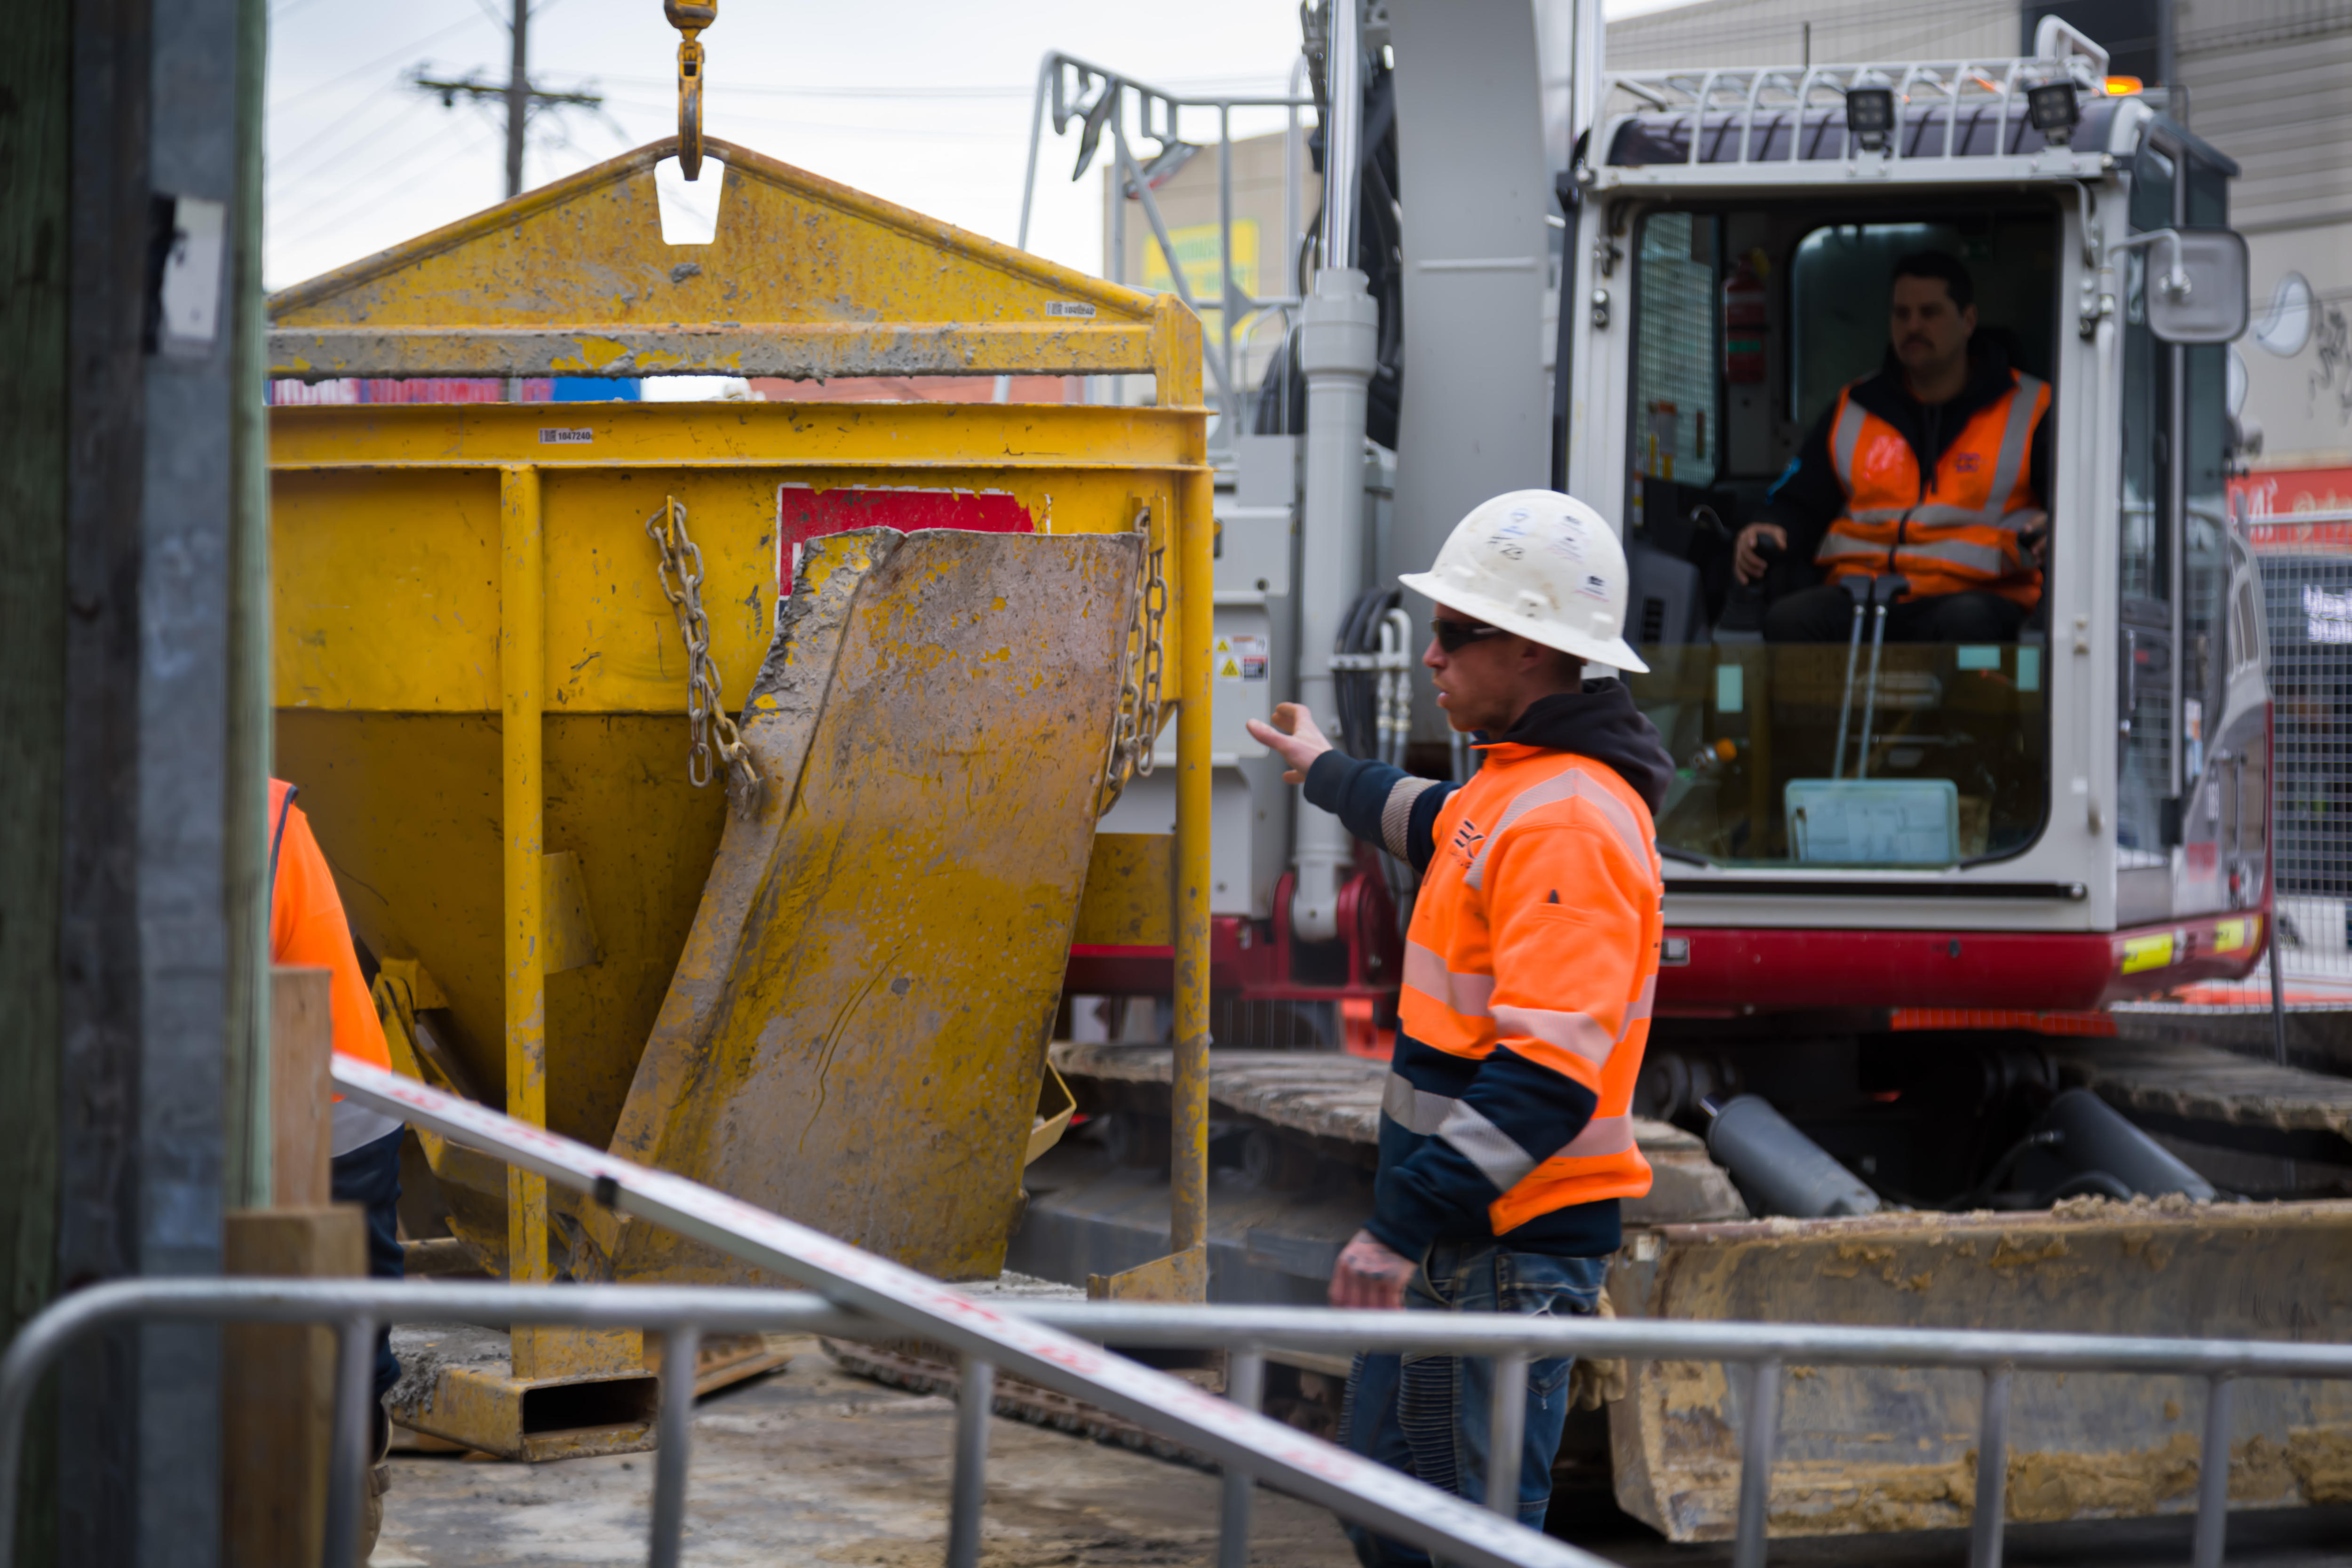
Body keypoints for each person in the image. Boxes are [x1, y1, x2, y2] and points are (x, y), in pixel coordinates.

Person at [1245, 491, 1671, 1558]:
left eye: (1452, 634)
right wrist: (1325, 768)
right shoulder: (1511, 787)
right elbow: (1427, 819)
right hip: (1460, 1240)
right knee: (1389, 1512)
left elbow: (1548, 1075)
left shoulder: (1568, 819)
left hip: (1498, 1249)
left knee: (1462, 1541)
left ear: (1528, 650)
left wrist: (1400, 1225)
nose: (1429, 656)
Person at [1734, 251, 2052, 643]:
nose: (1913, 326)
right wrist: (1771, 523)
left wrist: (2049, 525)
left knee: (1969, 623)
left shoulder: (2031, 407)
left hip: (1975, 595)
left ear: (1968, 320)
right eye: (1901, 314)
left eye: (1929, 312)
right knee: (1790, 620)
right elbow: (1801, 498)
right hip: (1862, 593)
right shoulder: (1857, 404)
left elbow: (2067, 509)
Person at [268, 778, 405, 1545]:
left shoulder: (249, 822)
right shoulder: (265, 810)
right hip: (333, 1105)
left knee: (335, 1379)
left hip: (328, 1117)